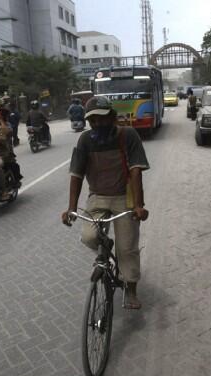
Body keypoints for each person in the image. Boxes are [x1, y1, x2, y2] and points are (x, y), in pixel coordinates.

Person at [61, 96, 150, 310]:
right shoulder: (85, 140)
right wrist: (71, 208)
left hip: (123, 198)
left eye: (102, 119)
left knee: (127, 248)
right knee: (89, 237)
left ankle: (130, 288)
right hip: (97, 197)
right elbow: (76, 175)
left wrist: (138, 205)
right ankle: (107, 249)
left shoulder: (128, 135)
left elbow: (136, 170)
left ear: (111, 117)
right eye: (93, 120)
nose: (98, 124)